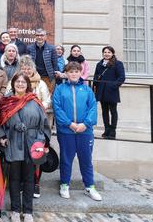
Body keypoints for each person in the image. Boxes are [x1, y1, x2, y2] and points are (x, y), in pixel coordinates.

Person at [0, 72, 50, 222]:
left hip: (32, 144)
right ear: (13, 84)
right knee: (14, 178)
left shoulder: (34, 101)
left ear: (27, 85)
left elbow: (43, 124)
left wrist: (41, 141)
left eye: (23, 82)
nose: (20, 84)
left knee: (29, 178)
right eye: (17, 82)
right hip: (13, 142)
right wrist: (2, 137)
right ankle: (15, 210)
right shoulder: (7, 102)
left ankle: (29, 210)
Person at [53, 62, 102, 202]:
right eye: (70, 71)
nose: (73, 74)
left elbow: (93, 108)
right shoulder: (60, 89)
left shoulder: (87, 90)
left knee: (86, 160)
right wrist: (70, 124)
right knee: (66, 159)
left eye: (76, 71)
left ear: (81, 73)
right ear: (66, 74)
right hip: (66, 131)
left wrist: (85, 124)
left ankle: (89, 186)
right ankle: (64, 184)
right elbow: (57, 108)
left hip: (85, 131)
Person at [17, 55, 51, 198]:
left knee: (37, 154)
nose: (26, 70)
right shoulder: (17, 82)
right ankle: (22, 183)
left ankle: (35, 184)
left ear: (33, 69)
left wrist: (34, 109)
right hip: (20, 125)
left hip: (37, 125)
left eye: (29, 67)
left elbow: (46, 101)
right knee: (21, 156)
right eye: (24, 68)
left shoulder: (40, 83)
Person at [93, 46, 125, 140]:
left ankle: (113, 130)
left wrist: (113, 86)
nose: (106, 54)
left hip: (112, 91)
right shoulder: (99, 64)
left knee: (113, 111)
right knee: (104, 111)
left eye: (109, 52)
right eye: (105, 52)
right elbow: (95, 77)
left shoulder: (118, 63)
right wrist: (94, 89)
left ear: (112, 53)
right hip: (101, 91)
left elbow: (121, 77)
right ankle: (106, 128)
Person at [26, 29, 58, 93]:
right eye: (37, 35)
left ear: (45, 37)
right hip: (33, 77)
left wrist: (55, 74)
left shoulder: (52, 48)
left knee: (48, 95)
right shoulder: (29, 48)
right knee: (33, 95)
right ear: (35, 37)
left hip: (48, 77)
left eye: (42, 35)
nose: (39, 37)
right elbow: (27, 63)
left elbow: (55, 63)